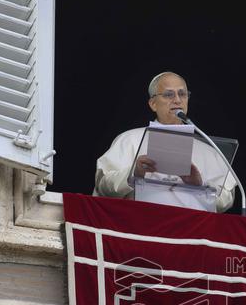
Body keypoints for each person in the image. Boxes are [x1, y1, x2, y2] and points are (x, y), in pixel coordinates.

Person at [94, 72, 237, 213]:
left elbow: (225, 200)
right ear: (153, 104)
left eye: (182, 94)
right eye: (169, 94)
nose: (177, 100)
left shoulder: (209, 151)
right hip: (142, 227)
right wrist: (134, 173)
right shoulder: (130, 139)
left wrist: (200, 184)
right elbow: (103, 186)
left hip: (193, 232)